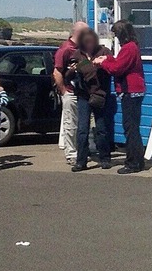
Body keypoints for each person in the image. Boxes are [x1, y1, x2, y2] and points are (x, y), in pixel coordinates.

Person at [93, 20, 146, 174]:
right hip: (135, 91)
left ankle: (133, 163)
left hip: (131, 91)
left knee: (130, 129)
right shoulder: (131, 47)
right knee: (133, 128)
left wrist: (103, 63)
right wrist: (107, 59)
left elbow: (117, 68)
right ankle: (138, 160)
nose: (115, 37)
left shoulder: (128, 48)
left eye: (116, 33)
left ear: (121, 34)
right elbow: (117, 63)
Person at [67, 28, 112, 172]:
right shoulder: (77, 54)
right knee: (82, 129)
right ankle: (81, 161)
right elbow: (67, 75)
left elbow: (111, 69)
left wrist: (90, 65)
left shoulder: (104, 52)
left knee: (101, 128)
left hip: (99, 94)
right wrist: (73, 69)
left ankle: (105, 158)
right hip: (83, 95)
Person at [53, 22, 89, 165]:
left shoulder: (82, 49)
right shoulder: (66, 49)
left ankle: (82, 150)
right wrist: (63, 91)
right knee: (71, 123)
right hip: (70, 91)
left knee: (82, 124)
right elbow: (57, 71)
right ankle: (71, 153)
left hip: (82, 92)